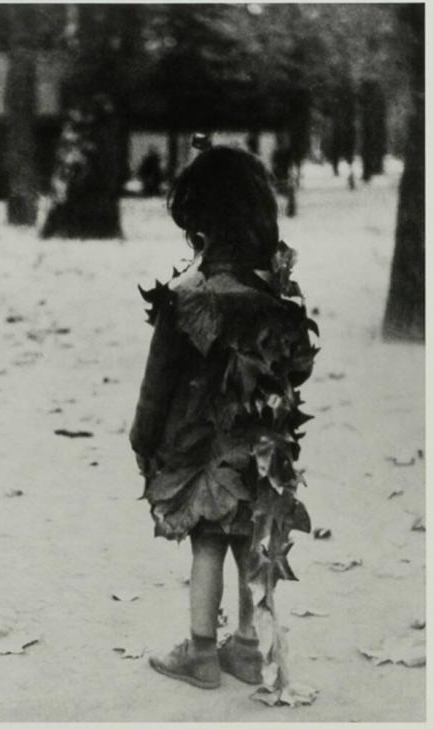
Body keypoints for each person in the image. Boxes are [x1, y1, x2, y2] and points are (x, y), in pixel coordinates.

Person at [130, 141, 319, 690]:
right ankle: (247, 645)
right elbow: (295, 374)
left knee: (207, 545)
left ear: (199, 226)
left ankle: (201, 652)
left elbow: (157, 383)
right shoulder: (278, 302)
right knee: (248, 543)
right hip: (259, 450)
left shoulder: (185, 301)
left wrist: (142, 439)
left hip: (199, 450)